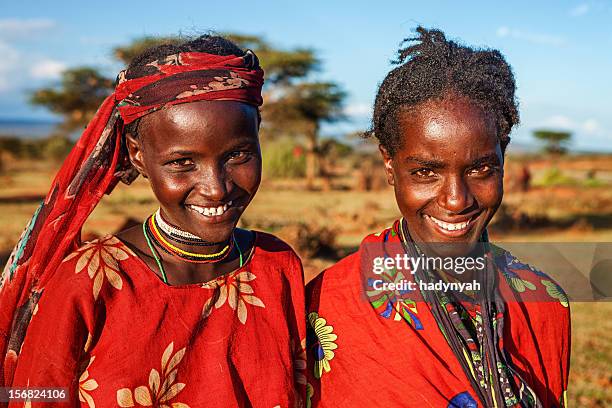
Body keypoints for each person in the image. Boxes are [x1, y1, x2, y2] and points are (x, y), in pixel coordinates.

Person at [0, 35, 306, 407]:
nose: (216, 188)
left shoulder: (276, 265)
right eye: (182, 162)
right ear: (138, 155)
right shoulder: (89, 281)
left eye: (238, 154)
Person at [306, 27, 570, 407]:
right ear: (389, 165)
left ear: (503, 158)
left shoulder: (544, 304)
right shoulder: (329, 305)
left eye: (480, 169)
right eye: (426, 172)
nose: (456, 200)